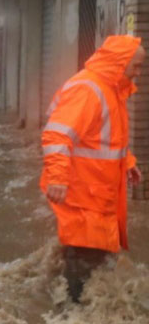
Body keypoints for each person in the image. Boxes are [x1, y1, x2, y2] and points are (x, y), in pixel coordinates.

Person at [41, 35, 145, 303]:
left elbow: (106, 139)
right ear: (120, 62)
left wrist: (128, 162)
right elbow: (57, 135)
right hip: (83, 195)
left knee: (93, 257)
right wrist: (57, 178)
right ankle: (72, 316)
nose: (139, 72)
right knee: (85, 259)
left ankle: (73, 306)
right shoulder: (88, 90)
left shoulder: (111, 90)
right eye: (136, 66)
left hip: (97, 195)